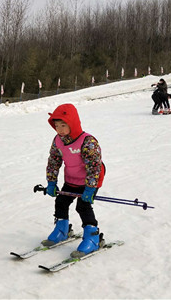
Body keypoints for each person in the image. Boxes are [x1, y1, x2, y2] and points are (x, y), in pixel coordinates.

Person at [42, 103, 106, 258]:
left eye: (64, 125)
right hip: (71, 179)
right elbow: (54, 161)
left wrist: (90, 189)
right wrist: (51, 182)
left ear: (73, 123)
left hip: (90, 180)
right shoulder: (58, 140)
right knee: (61, 202)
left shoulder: (87, 141)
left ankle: (93, 237)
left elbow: (94, 166)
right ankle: (62, 230)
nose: (60, 129)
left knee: (83, 206)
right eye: (57, 126)